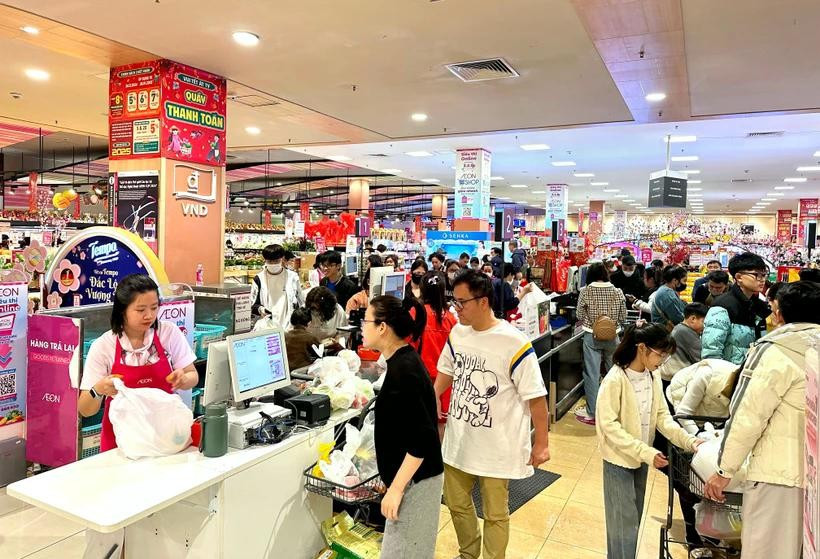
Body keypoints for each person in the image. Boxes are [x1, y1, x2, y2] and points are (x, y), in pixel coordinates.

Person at [434, 270, 550, 559]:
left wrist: (542, 443)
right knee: (456, 502)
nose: (455, 308)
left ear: (483, 301)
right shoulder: (458, 332)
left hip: (498, 444)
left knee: (496, 512)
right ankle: (468, 553)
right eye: (454, 301)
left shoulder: (513, 342)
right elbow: (446, 371)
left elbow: (536, 398)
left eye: (461, 302)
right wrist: (432, 396)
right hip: (460, 438)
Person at [705, 281, 820, 559]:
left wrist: (724, 470)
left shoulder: (775, 350)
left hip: (779, 475)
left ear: (780, 314)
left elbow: (748, 415)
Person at [596, 323, 701, 559]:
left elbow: (662, 417)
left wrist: (690, 441)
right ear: (642, 348)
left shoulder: (653, 375)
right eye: (660, 354)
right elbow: (609, 426)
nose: (662, 361)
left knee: (633, 520)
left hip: (641, 459)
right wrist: (645, 452)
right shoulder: (616, 379)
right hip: (618, 460)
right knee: (622, 525)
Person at [362, 295, 444, 559]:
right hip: (411, 478)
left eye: (366, 321)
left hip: (417, 482)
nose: (362, 327)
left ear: (382, 327)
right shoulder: (401, 361)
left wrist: (396, 488)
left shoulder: (404, 371)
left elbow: (421, 440)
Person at [79, 275, 198, 452]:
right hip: (122, 443)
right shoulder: (104, 346)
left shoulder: (168, 333)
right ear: (122, 310)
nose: (149, 315)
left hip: (166, 437)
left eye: (154, 307)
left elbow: (193, 376)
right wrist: (98, 390)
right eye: (140, 309)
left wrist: (184, 379)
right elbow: (85, 409)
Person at [575, 262, 627, 425]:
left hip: (592, 336)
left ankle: (593, 412)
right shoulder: (617, 291)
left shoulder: (586, 291)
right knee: (614, 374)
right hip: (613, 336)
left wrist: (592, 322)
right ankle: (614, 410)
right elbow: (623, 316)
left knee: (592, 374)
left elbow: (579, 314)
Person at [701, 252, 771, 365]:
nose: (762, 279)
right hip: (729, 375)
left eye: (764, 275)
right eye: (757, 275)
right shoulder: (723, 306)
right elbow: (711, 352)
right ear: (739, 277)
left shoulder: (759, 305)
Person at [411, 272, 457, 439]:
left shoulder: (417, 313)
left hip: (422, 379)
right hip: (445, 381)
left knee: (420, 426)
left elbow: (409, 345)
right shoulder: (451, 318)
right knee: (441, 425)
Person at [666, 359, 734, 435]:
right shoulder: (708, 374)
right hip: (678, 404)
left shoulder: (745, 391)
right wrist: (698, 437)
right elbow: (683, 413)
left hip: (709, 418)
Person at [250, 244, 305, 328]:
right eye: (269, 261)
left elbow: (300, 301)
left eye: (276, 261)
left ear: (282, 259)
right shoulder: (259, 279)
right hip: (267, 324)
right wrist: (261, 309)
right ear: (265, 260)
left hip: (289, 323)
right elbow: (253, 304)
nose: (273, 264)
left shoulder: (292, 277)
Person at [658, 302, 708, 382]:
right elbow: (701, 358)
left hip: (670, 376)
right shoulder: (686, 332)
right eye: (703, 322)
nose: (705, 326)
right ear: (693, 319)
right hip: (674, 378)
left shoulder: (679, 328)